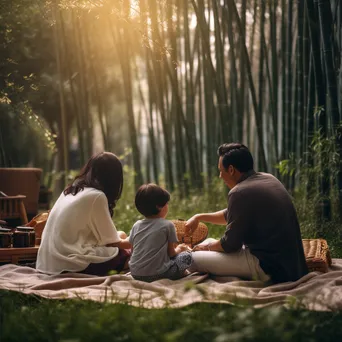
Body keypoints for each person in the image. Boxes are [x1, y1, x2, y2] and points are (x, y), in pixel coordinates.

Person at [186, 143, 308, 283]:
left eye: (221, 170)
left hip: (269, 267)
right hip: (290, 265)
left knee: (191, 258)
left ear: (231, 170)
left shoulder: (239, 192)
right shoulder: (268, 178)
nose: (220, 176)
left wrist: (207, 247)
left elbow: (230, 244)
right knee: (207, 244)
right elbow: (231, 214)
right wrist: (199, 217)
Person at [36, 152, 131, 276]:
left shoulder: (70, 191)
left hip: (47, 262)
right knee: (129, 254)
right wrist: (135, 238)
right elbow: (113, 242)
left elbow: (107, 239)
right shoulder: (97, 196)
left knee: (121, 236)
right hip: (70, 263)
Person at [129, 184, 192, 282]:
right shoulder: (168, 225)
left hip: (135, 274)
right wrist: (180, 249)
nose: (168, 206)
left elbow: (133, 252)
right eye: (166, 203)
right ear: (159, 207)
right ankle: (181, 273)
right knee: (187, 256)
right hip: (158, 274)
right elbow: (171, 254)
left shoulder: (136, 225)